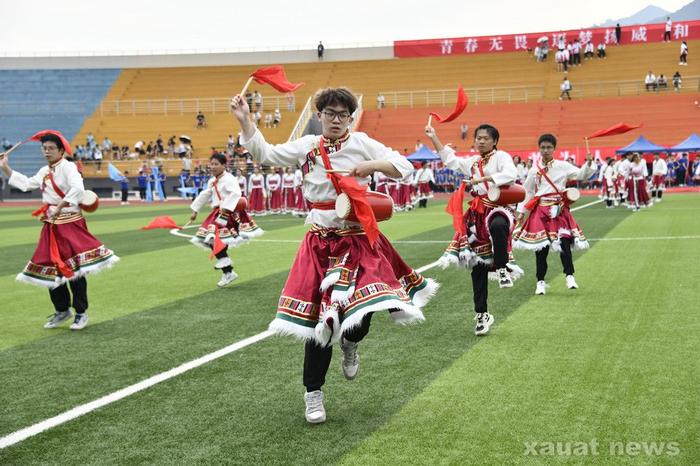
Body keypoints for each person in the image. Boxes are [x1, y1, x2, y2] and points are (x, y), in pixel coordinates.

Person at [231, 87, 438, 424]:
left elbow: (404, 166)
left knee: (364, 313)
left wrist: (371, 165)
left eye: (344, 114)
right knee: (319, 322)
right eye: (330, 113)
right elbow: (266, 154)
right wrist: (245, 121)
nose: (337, 119)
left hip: (358, 239)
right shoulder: (307, 146)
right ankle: (313, 394)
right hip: (320, 243)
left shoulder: (361, 142)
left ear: (351, 117)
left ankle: (352, 343)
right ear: (320, 115)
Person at [0, 131, 119, 330]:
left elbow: (77, 188)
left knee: (76, 269)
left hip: (71, 223)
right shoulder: (44, 171)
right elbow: (28, 184)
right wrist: (5, 168)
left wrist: (61, 205)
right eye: (44, 148)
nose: (46, 152)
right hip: (52, 225)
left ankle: (81, 313)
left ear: (61, 150)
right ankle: (62, 310)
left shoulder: (69, 167)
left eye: (51, 148)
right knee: (51, 268)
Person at [424, 123, 521, 336]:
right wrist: (434, 137)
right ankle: (481, 315)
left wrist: (484, 179)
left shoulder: (502, 157)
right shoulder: (473, 162)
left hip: (499, 207)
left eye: (486, 138)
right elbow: (451, 161)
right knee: (477, 267)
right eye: (478, 138)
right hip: (477, 214)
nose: (481, 141)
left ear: (494, 141)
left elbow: (510, 174)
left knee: (497, 224)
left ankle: (503, 266)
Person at [514, 134, 594, 295]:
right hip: (540, 211)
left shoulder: (563, 166)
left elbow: (581, 175)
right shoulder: (534, 170)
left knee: (565, 243)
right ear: (539, 149)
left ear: (554, 149)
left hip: (559, 209)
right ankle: (540, 282)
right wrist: (521, 212)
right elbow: (528, 192)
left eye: (549, 147)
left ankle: (570, 276)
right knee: (541, 248)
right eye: (543, 147)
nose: (545, 150)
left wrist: (589, 163)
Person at [189, 153, 251, 287]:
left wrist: (226, 210)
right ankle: (228, 272)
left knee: (211, 235)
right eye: (212, 164)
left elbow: (236, 193)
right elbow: (205, 194)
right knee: (209, 238)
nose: (213, 167)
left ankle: (225, 262)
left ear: (224, 165)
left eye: (216, 164)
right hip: (216, 211)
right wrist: (195, 211)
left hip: (227, 212)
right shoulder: (212, 180)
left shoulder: (229, 179)